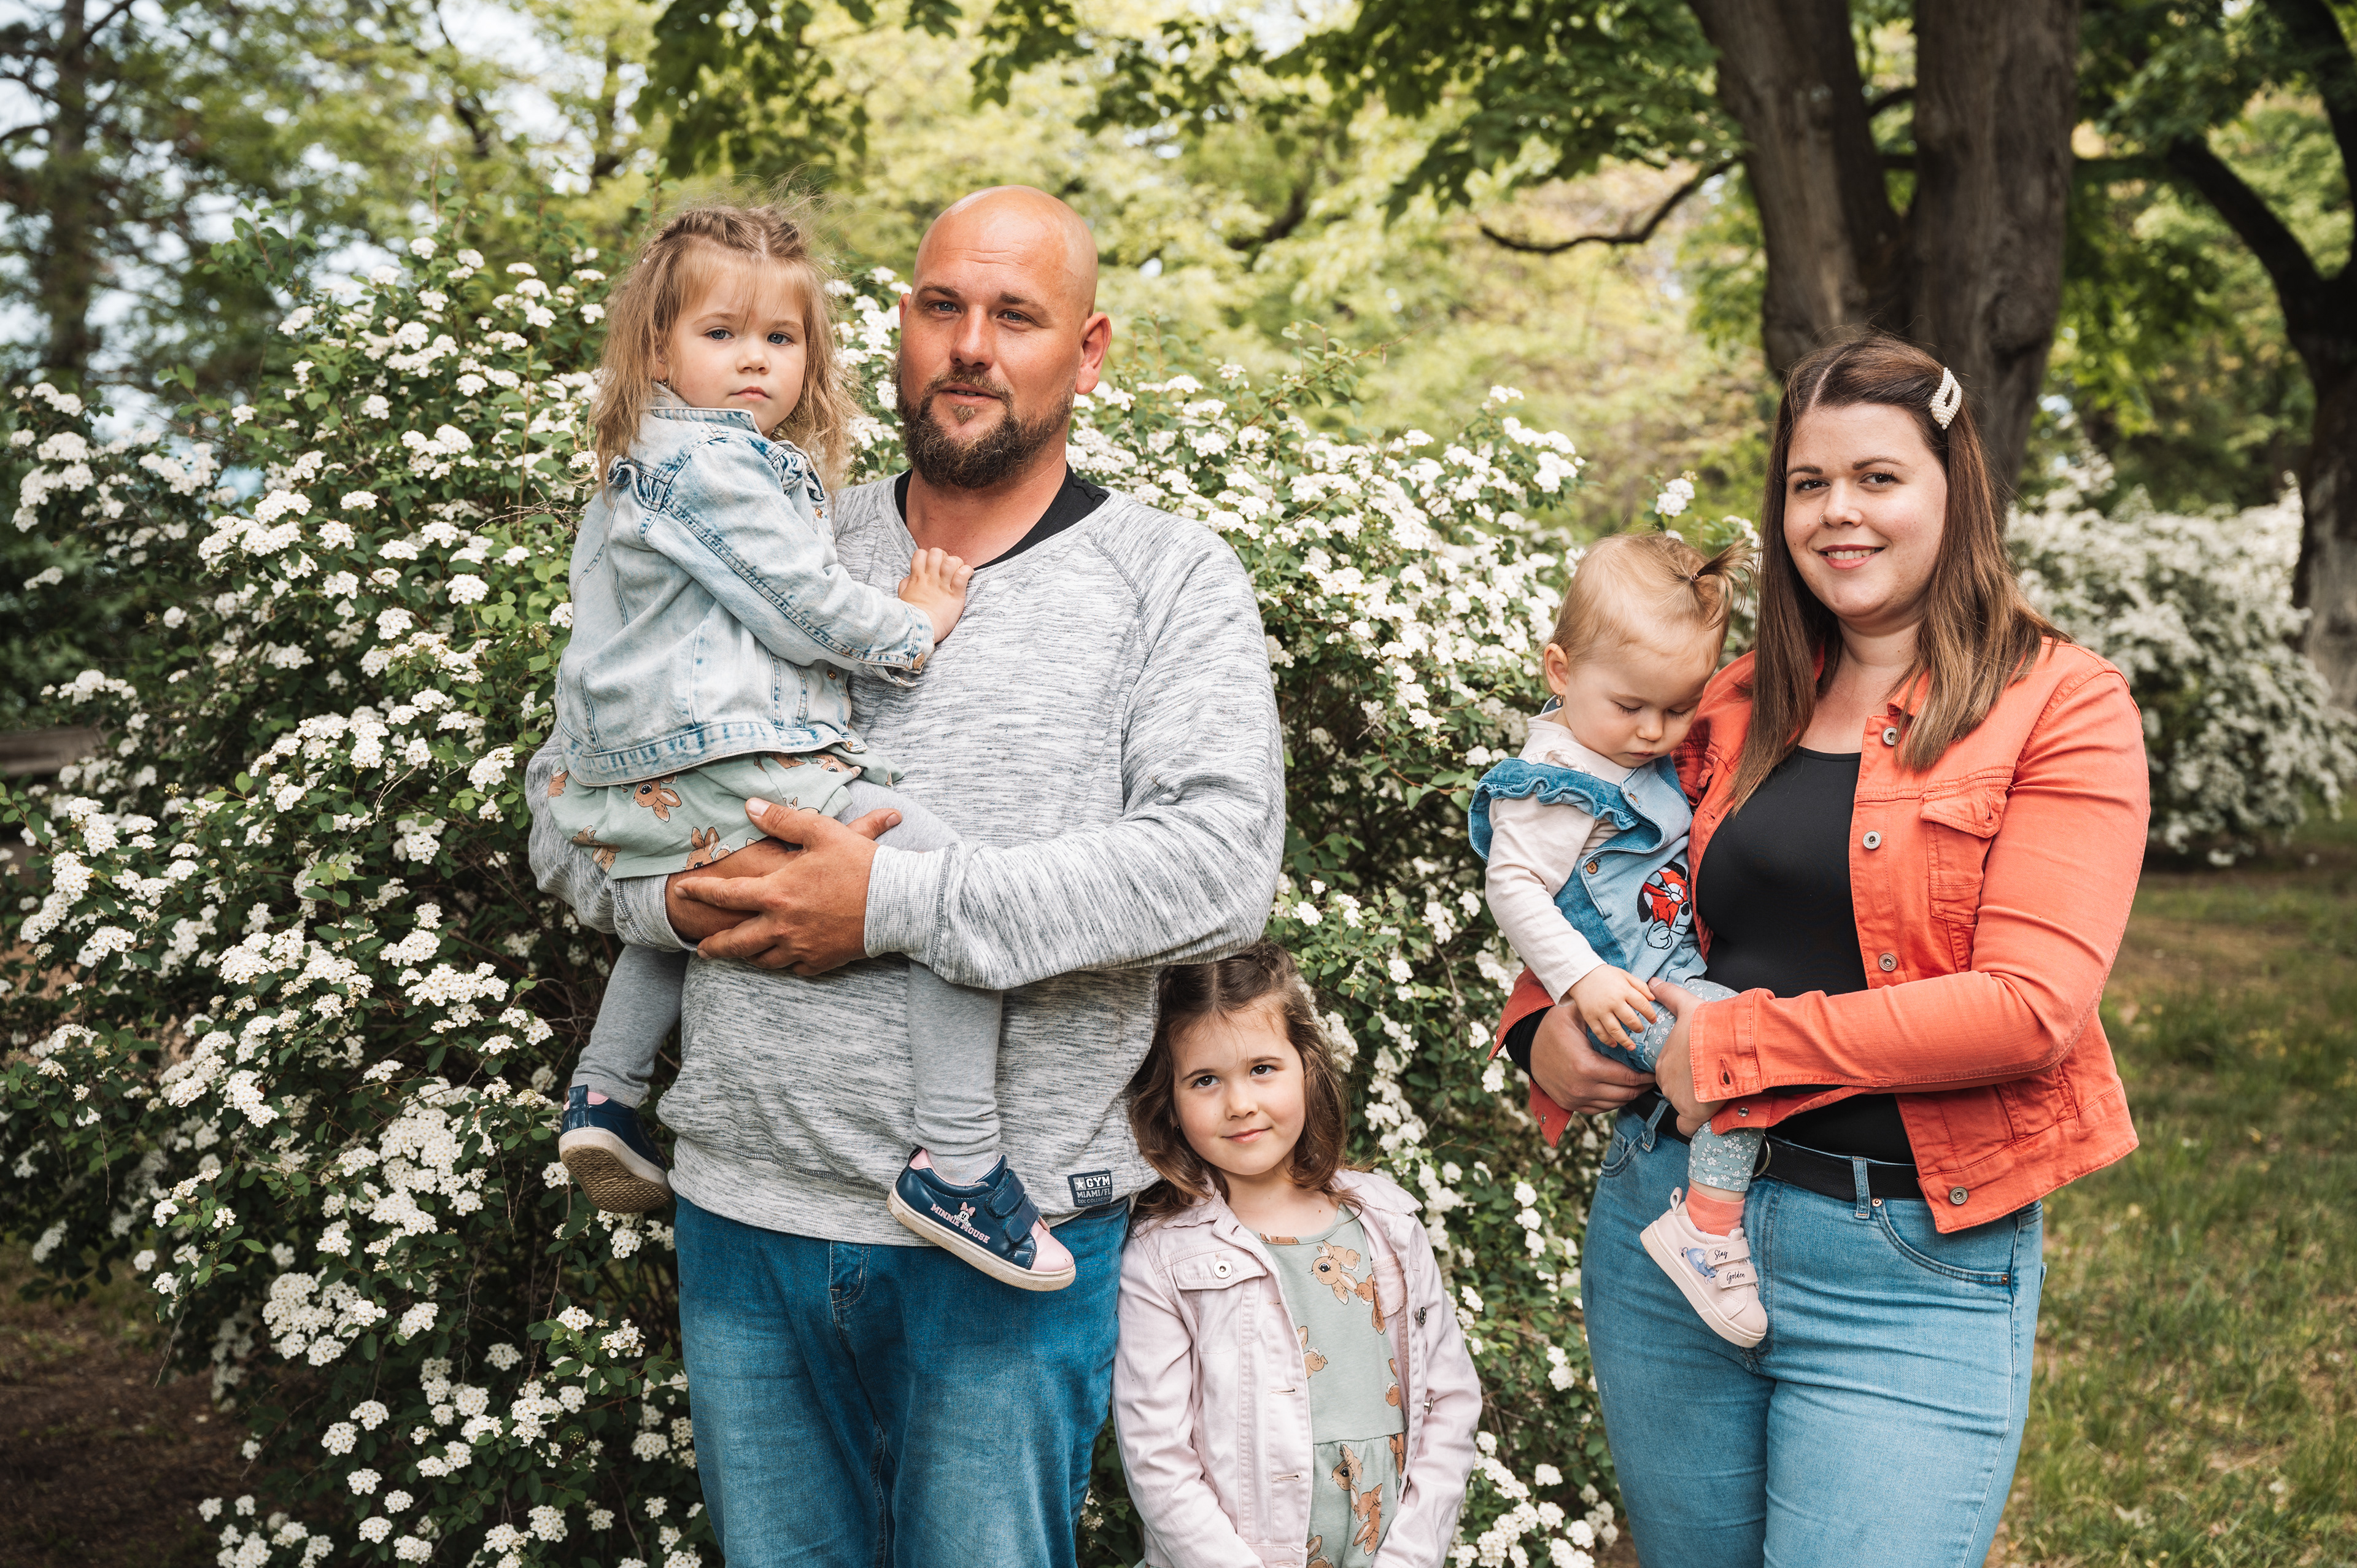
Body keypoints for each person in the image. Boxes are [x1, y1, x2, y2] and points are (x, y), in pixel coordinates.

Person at [526, 185, 1286, 1566]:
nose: (970, 345)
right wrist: (673, 901)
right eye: (943, 306)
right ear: (898, 325)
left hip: (1008, 1246)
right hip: (746, 1214)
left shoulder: (1167, 576)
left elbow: (1220, 869)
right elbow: (568, 799)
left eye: (1016, 316)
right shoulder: (775, 527)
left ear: (1089, 351)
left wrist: (888, 907)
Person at [1495, 333, 2146, 1566]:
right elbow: (1609, 875)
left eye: (1877, 477)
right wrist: (1543, 1023)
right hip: (1667, 1226)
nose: (1839, 510)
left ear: (1956, 491)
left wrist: (1732, 1045)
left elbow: (2030, 1006)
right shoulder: (1733, 700)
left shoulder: (2061, 705)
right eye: (1809, 482)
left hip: (1907, 1259)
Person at [541, 197, 1077, 1289]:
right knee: (945, 880)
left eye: (780, 337)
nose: (756, 361)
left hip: (652, 780)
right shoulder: (715, 468)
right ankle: (959, 1164)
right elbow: (805, 605)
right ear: (658, 348)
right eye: (722, 333)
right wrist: (914, 622)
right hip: (736, 759)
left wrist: (662, 896)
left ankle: (607, 1088)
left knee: (705, 873)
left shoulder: (648, 467)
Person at [1469, 531, 1764, 1347]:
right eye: (1631, 706)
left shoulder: (1617, 752)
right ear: (1560, 670)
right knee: (1734, 1063)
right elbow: (1512, 884)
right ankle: (1707, 1228)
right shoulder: (1555, 782)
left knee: (1736, 1040)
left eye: (1678, 708)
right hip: (1623, 990)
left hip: (1666, 972)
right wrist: (1581, 980)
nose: (1654, 732)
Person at [1112, 943, 1482, 1568]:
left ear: (1307, 1067)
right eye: (1205, 1079)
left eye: (1262, 1068)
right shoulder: (1162, 1256)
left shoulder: (1390, 1224)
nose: (1239, 1103)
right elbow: (1158, 1457)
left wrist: (1410, 1557)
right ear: (1168, 1101)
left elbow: (1450, 1401)